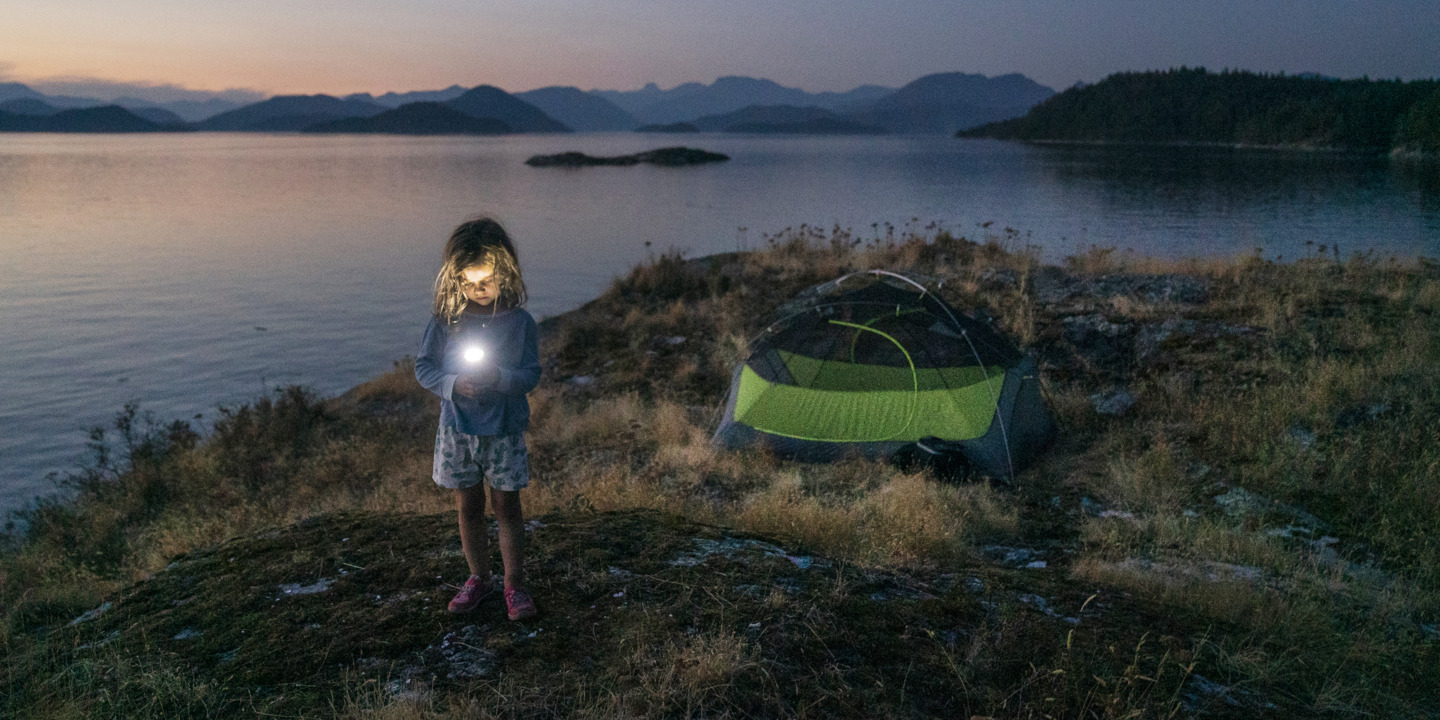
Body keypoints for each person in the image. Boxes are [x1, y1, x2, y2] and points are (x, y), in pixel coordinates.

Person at [415, 216, 542, 620]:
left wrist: (499, 378)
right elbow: (424, 368)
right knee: (468, 506)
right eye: (468, 282)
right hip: (457, 430)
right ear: (455, 279)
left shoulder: (520, 324)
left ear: (505, 271)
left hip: (503, 432)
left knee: (507, 508)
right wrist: (453, 384)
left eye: (485, 280)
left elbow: (531, 374)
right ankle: (478, 578)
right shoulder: (445, 321)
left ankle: (514, 584)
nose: (477, 290)